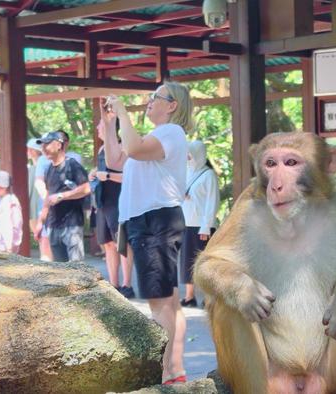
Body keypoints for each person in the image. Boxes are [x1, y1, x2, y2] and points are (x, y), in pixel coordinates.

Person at [103, 81, 192, 385]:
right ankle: (174, 370)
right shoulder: (158, 135)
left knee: (160, 304)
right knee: (170, 302)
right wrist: (110, 121)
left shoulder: (171, 132)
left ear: (172, 106)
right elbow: (115, 159)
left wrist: (124, 111)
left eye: (156, 98)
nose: (150, 102)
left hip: (155, 222)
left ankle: (165, 372)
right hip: (151, 221)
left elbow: (134, 148)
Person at [89, 116, 135, 299]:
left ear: (111, 128)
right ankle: (113, 283)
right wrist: (94, 173)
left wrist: (106, 176)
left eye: (101, 125)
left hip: (119, 200)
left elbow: (128, 176)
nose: (98, 127)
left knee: (122, 243)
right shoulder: (101, 149)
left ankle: (127, 284)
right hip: (102, 202)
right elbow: (101, 172)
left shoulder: (123, 148)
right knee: (107, 243)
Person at [33, 131, 91, 262]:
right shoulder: (49, 169)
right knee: (61, 271)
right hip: (53, 225)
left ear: (59, 145)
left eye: (46, 144)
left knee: (76, 268)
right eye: (41, 145)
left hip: (72, 225)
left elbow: (87, 188)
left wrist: (62, 195)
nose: (43, 149)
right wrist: (40, 222)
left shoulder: (72, 165)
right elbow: (48, 198)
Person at [180, 140, 220, 307]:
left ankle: (208, 298)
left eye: (190, 154)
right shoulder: (186, 172)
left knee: (203, 263)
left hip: (202, 227)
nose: (188, 158)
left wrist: (206, 226)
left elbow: (212, 202)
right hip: (186, 224)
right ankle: (189, 296)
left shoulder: (208, 175)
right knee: (187, 262)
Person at [27, 138, 53, 261]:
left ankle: (47, 259)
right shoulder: (31, 168)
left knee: (44, 236)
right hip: (34, 206)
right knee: (40, 236)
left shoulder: (44, 166)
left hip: (42, 205)